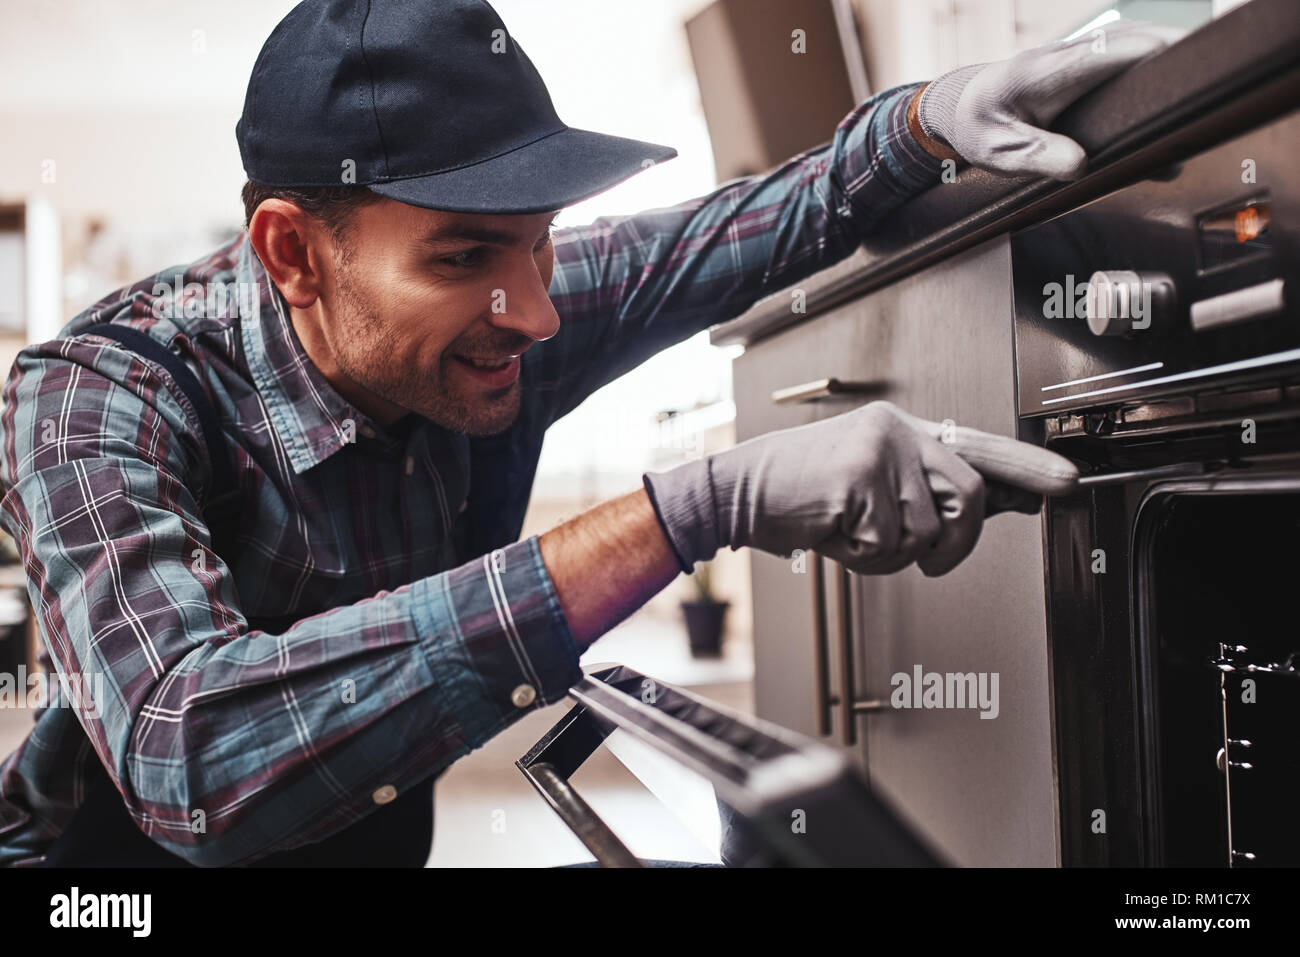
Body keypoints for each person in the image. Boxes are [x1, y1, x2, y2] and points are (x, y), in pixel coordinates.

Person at [0, 0, 1178, 866]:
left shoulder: (489, 297)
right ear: (295, 256)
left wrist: (924, 121)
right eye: (466, 256)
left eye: (543, 239)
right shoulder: (97, 395)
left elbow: (731, 231)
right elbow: (191, 759)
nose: (541, 309)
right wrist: (693, 510)